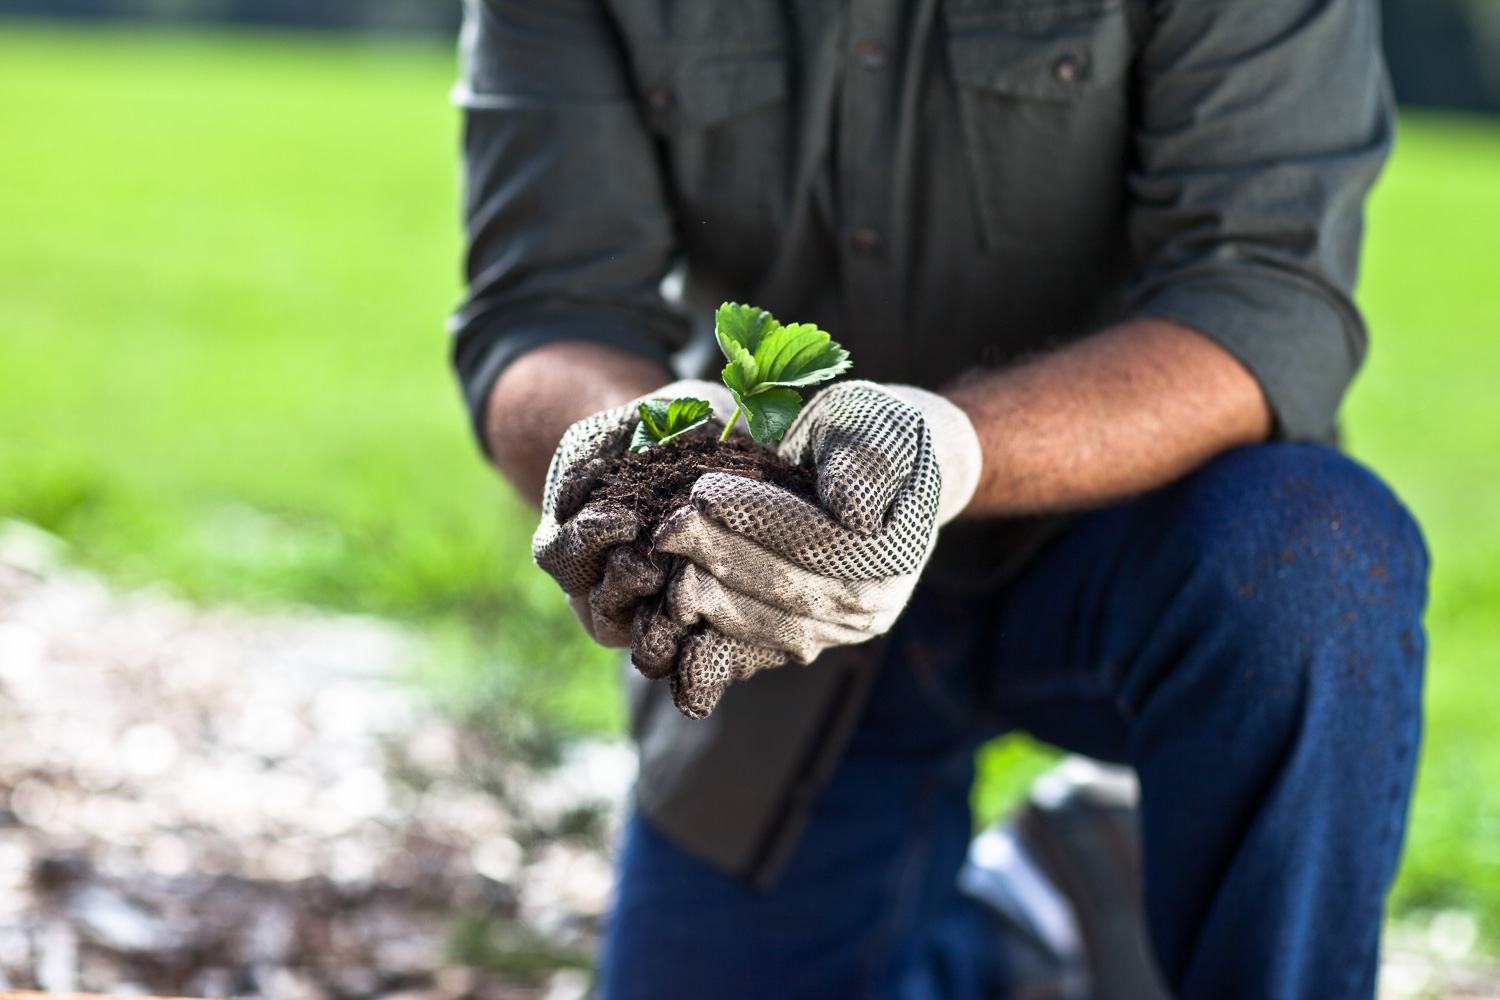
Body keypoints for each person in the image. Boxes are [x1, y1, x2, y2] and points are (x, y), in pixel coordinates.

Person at [448, 0, 1429, 996]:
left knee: (1317, 554)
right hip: (775, 582)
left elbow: (1263, 297)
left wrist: (944, 448)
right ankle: (1038, 928)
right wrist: (641, 453)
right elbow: (540, 309)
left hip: (1125, 537)